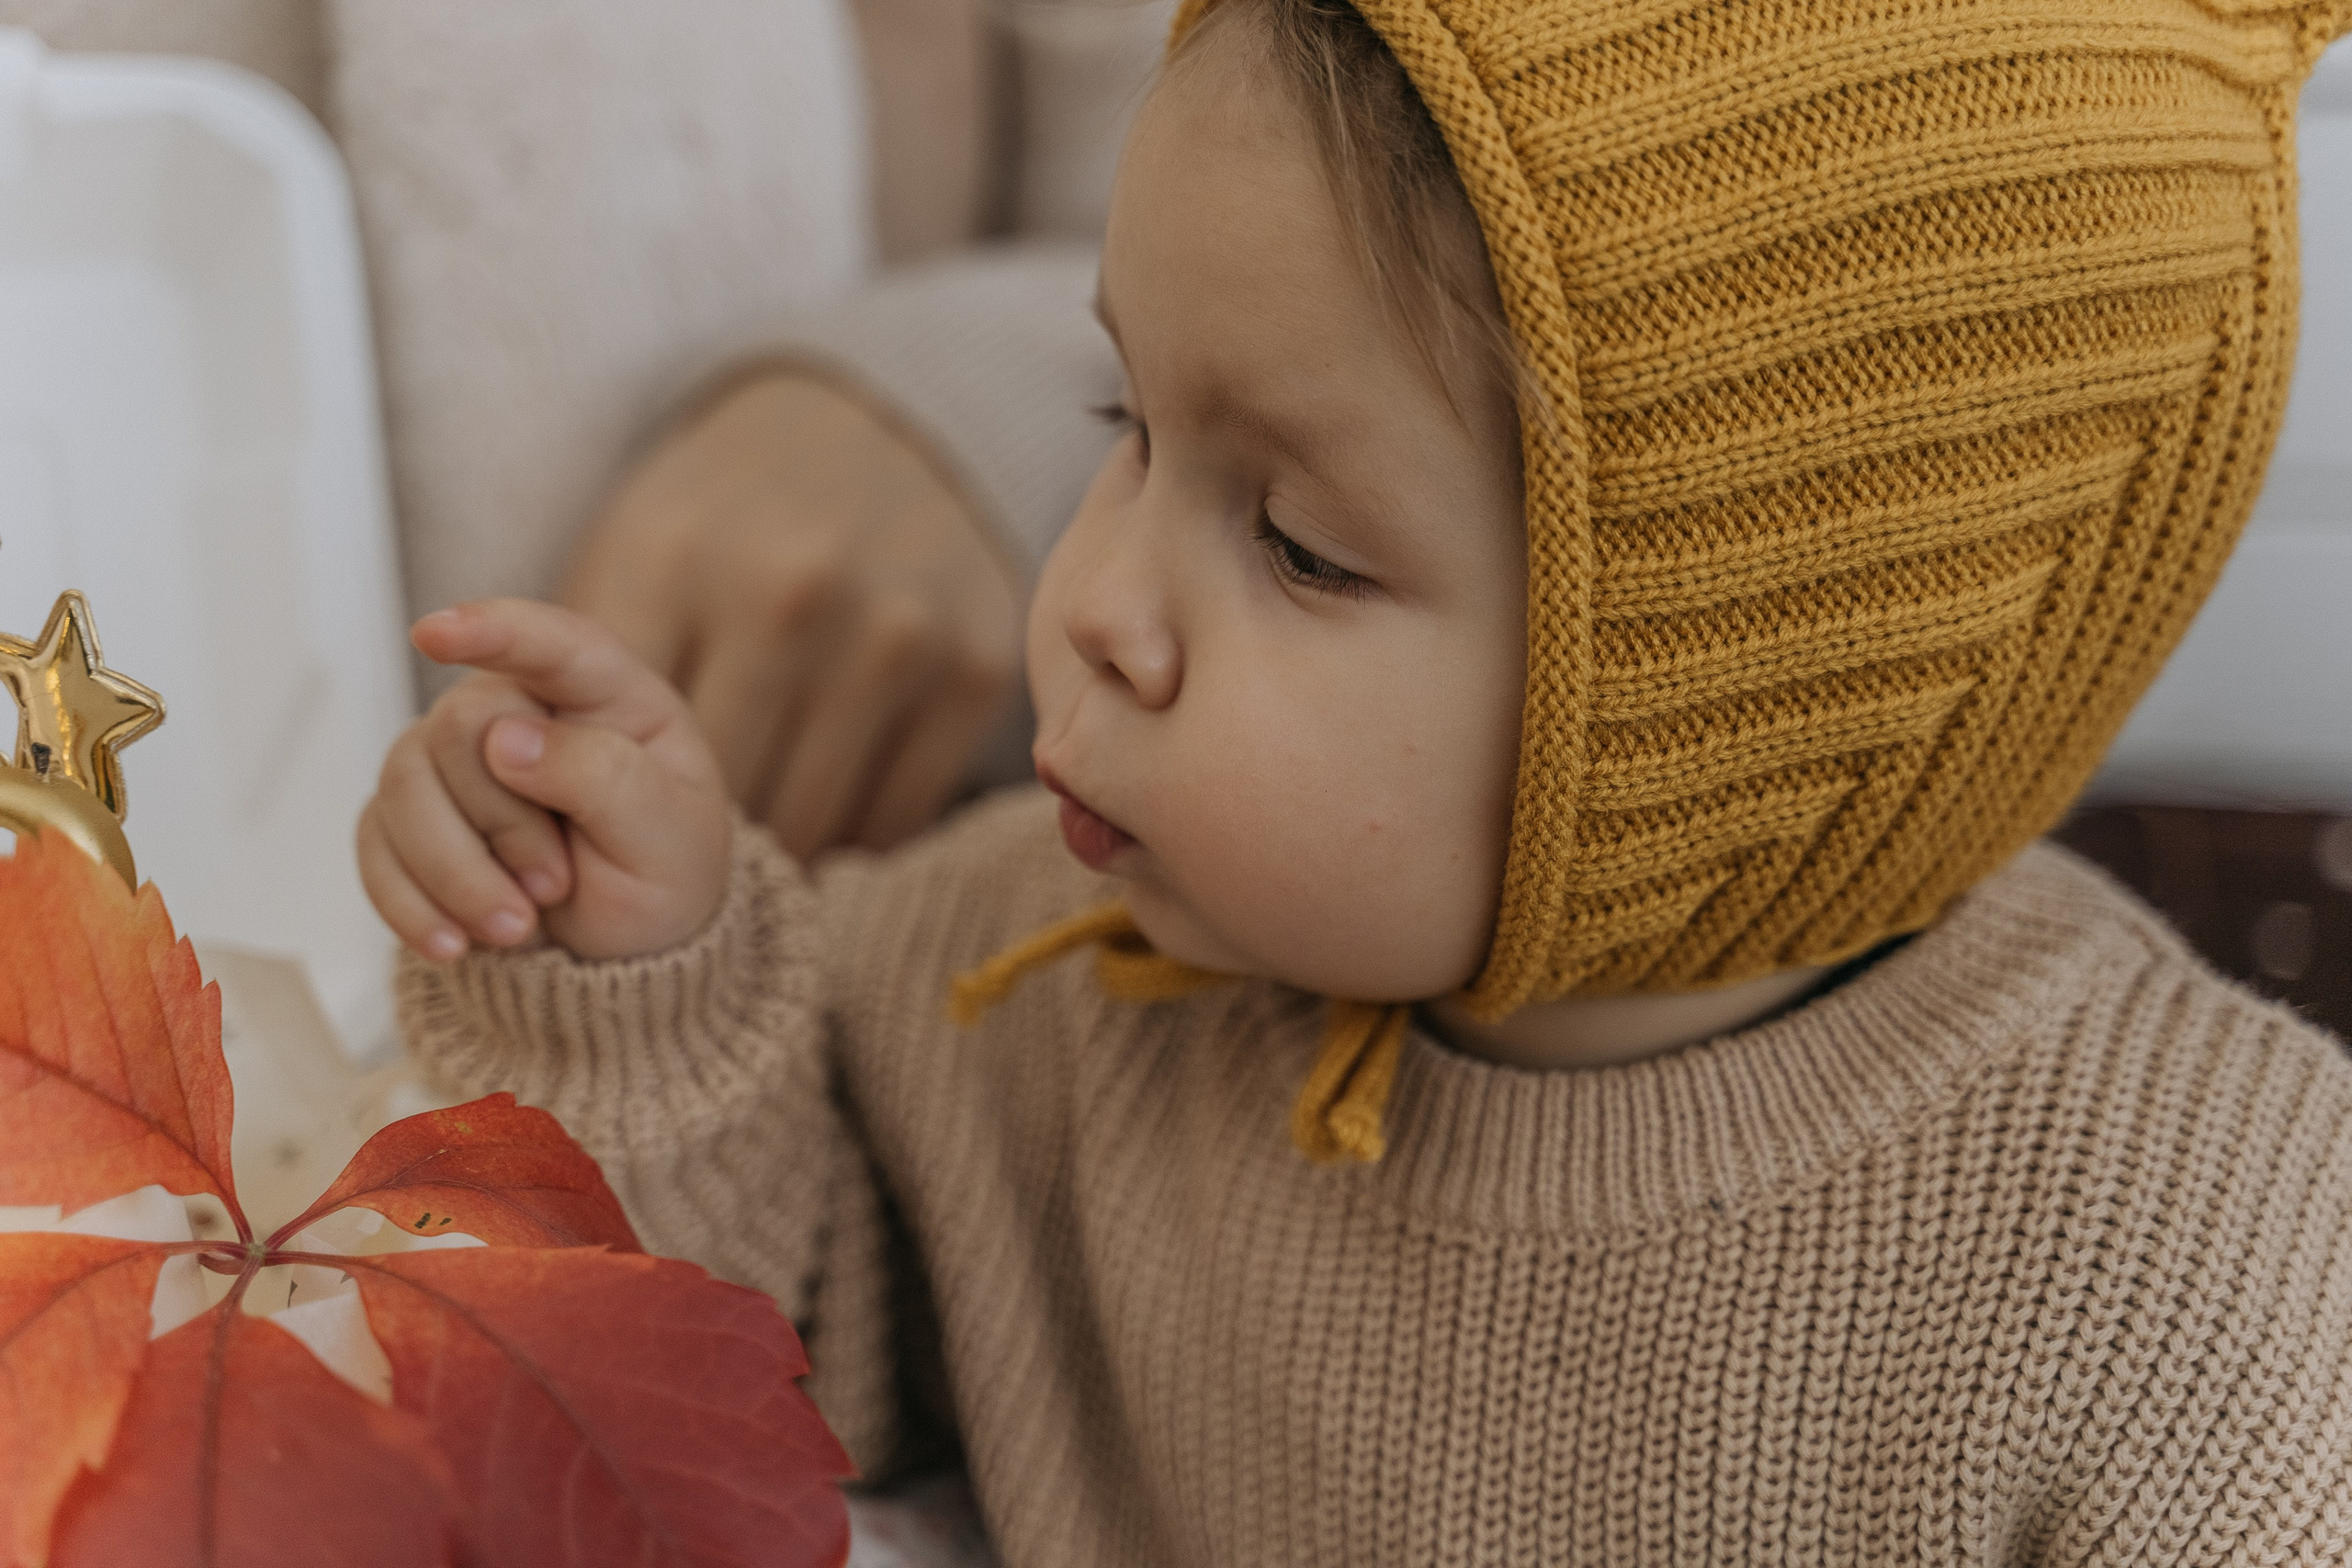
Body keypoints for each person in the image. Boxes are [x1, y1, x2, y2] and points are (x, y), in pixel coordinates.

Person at [359, 0, 2352, 1559]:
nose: (1094, 600)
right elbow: (759, 1369)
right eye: (1120, 421)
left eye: (1300, 542)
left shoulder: (2196, 1265)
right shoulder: (1042, 966)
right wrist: (649, 966)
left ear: (1748, 687)